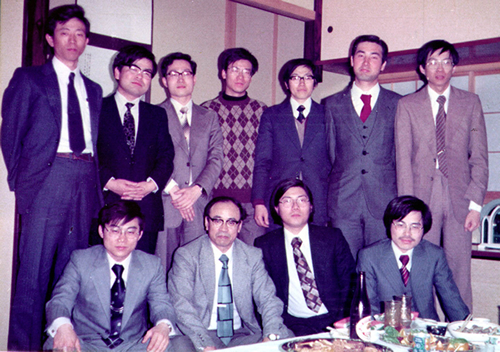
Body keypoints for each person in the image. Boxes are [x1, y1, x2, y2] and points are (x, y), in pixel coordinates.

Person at [1, 5, 102, 350]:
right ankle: (22, 346)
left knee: (73, 270)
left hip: (84, 177)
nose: (72, 40)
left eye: (79, 34)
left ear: (86, 40)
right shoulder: (29, 79)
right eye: (64, 33)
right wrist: (23, 184)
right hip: (48, 177)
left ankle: (63, 344)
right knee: (34, 272)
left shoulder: (93, 88)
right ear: (50, 39)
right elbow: (11, 136)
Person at [395, 39, 488, 310]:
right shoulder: (408, 105)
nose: (440, 68)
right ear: (423, 68)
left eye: (446, 62)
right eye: (433, 62)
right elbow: (403, 159)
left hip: (460, 197)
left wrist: (475, 205)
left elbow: (480, 156)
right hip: (422, 197)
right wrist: (407, 210)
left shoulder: (470, 102)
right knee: (421, 267)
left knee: (459, 272)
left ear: (454, 67)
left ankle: (461, 333)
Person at [45, 201, 188, 351]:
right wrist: (63, 327)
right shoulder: (81, 260)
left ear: (140, 235)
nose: (122, 238)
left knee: (171, 345)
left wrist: (163, 326)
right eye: (115, 231)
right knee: (57, 343)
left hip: (133, 345)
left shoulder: (151, 265)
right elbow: (60, 301)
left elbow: (162, 304)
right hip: (86, 344)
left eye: (130, 232)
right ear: (101, 231)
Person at [168, 196, 291, 351]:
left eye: (231, 222)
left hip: (239, 335)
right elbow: (181, 306)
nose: (224, 229)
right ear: (207, 223)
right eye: (217, 220)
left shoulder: (252, 256)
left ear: (239, 227)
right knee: (177, 346)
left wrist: (270, 338)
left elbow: (268, 300)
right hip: (199, 334)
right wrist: (206, 344)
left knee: (284, 337)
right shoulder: (187, 255)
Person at [323, 35, 401, 259]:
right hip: (343, 203)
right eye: (360, 55)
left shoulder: (398, 104)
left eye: (373, 57)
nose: (366, 62)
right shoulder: (331, 104)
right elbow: (330, 155)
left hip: (384, 202)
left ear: (383, 65)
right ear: (351, 60)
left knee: (382, 267)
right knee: (345, 269)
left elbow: (400, 156)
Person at [97, 45, 174, 254]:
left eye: (147, 73)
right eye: (134, 68)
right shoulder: (96, 108)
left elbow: (166, 156)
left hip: (146, 208)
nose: (140, 76)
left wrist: (151, 185)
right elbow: (90, 154)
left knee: (142, 275)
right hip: (106, 205)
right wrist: (110, 183)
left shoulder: (157, 115)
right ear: (117, 72)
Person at [255, 179, 355, 336]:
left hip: (332, 321)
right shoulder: (264, 245)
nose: (295, 207)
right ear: (276, 209)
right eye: (287, 201)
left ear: (311, 206)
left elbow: (350, 284)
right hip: (291, 325)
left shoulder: (332, 238)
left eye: (301, 200)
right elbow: (261, 296)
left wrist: (342, 324)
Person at [157, 52, 223, 271]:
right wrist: (175, 190)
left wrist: (196, 190)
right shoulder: (154, 114)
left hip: (199, 203)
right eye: (174, 74)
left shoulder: (209, 116)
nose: (181, 78)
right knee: (163, 267)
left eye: (186, 73)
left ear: (194, 78)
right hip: (166, 202)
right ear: (164, 81)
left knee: (197, 268)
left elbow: (216, 158)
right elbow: (151, 158)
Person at [357, 195, 470, 321]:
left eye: (415, 227)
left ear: (424, 229)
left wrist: (467, 328)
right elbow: (369, 307)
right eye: (400, 225)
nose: (407, 233)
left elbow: (451, 298)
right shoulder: (370, 256)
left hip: (426, 332)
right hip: (385, 330)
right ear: (389, 225)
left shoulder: (434, 255)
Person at [252, 58, 331, 230]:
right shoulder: (272, 115)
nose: (302, 82)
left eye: (307, 77)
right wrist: (259, 202)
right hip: (280, 199)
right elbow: (263, 162)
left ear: (315, 83)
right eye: (295, 77)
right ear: (286, 84)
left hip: (318, 200)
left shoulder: (328, 114)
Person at [201, 48, 267, 245]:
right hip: (216, 199)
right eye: (235, 69)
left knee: (252, 256)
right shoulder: (207, 110)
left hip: (252, 200)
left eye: (246, 71)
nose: (241, 76)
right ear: (223, 73)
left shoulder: (262, 111)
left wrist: (260, 200)